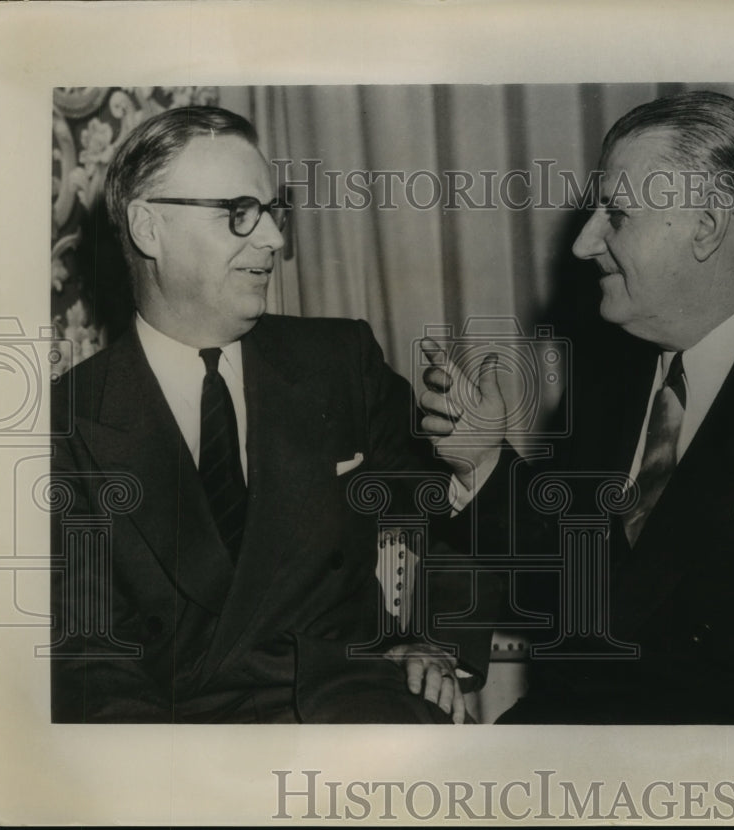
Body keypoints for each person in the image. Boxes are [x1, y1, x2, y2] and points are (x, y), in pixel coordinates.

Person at [420, 91, 734, 724]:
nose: (583, 243)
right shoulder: (612, 372)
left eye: (615, 215)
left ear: (704, 228)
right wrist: (482, 462)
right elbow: (580, 601)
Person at [50, 105, 493, 724]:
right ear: (149, 229)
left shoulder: (339, 362)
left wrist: (432, 639)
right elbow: (87, 659)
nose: (274, 240)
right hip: (184, 742)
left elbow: (451, 507)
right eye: (239, 214)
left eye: (271, 210)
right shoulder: (65, 424)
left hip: (357, 705)